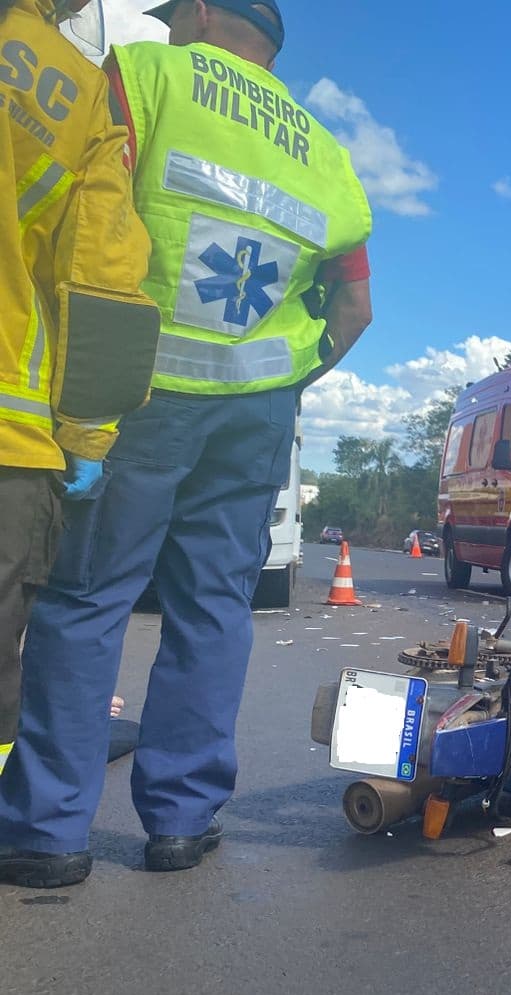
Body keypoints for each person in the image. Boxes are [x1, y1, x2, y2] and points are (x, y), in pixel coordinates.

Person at [0, 0, 373, 888]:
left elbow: (87, 227)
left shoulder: (142, 77)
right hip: (257, 411)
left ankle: (48, 833)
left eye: (173, 16)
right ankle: (181, 822)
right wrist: (284, 380)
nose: (166, 26)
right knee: (213, 610)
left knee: (88, 600)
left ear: (203, 12)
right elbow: (356, 309)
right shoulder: (328, 153)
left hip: (137, 388)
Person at [0, 0, 161, 888]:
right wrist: (88, 434)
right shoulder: (74, 89)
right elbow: (99, 280)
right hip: (10, 443)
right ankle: (34, 832)